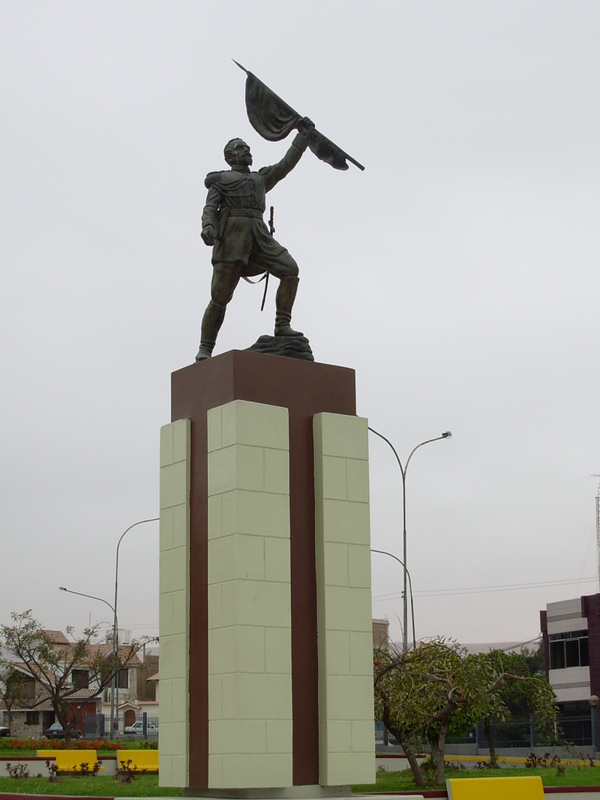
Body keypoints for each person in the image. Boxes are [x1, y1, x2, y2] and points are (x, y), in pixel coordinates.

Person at [195, 119, 314, 361]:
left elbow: (285, 165)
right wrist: (209, 227)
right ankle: (205, 349)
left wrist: (303, 136)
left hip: (259, 236)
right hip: (232, 238)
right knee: (220, 298)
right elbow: (210, 209)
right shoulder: (221, 180)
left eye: (248, 147)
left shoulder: (260, 179)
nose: (247, 151)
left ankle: (282, 325)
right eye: (241, 148)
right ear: (230, 156)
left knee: (290, 269)